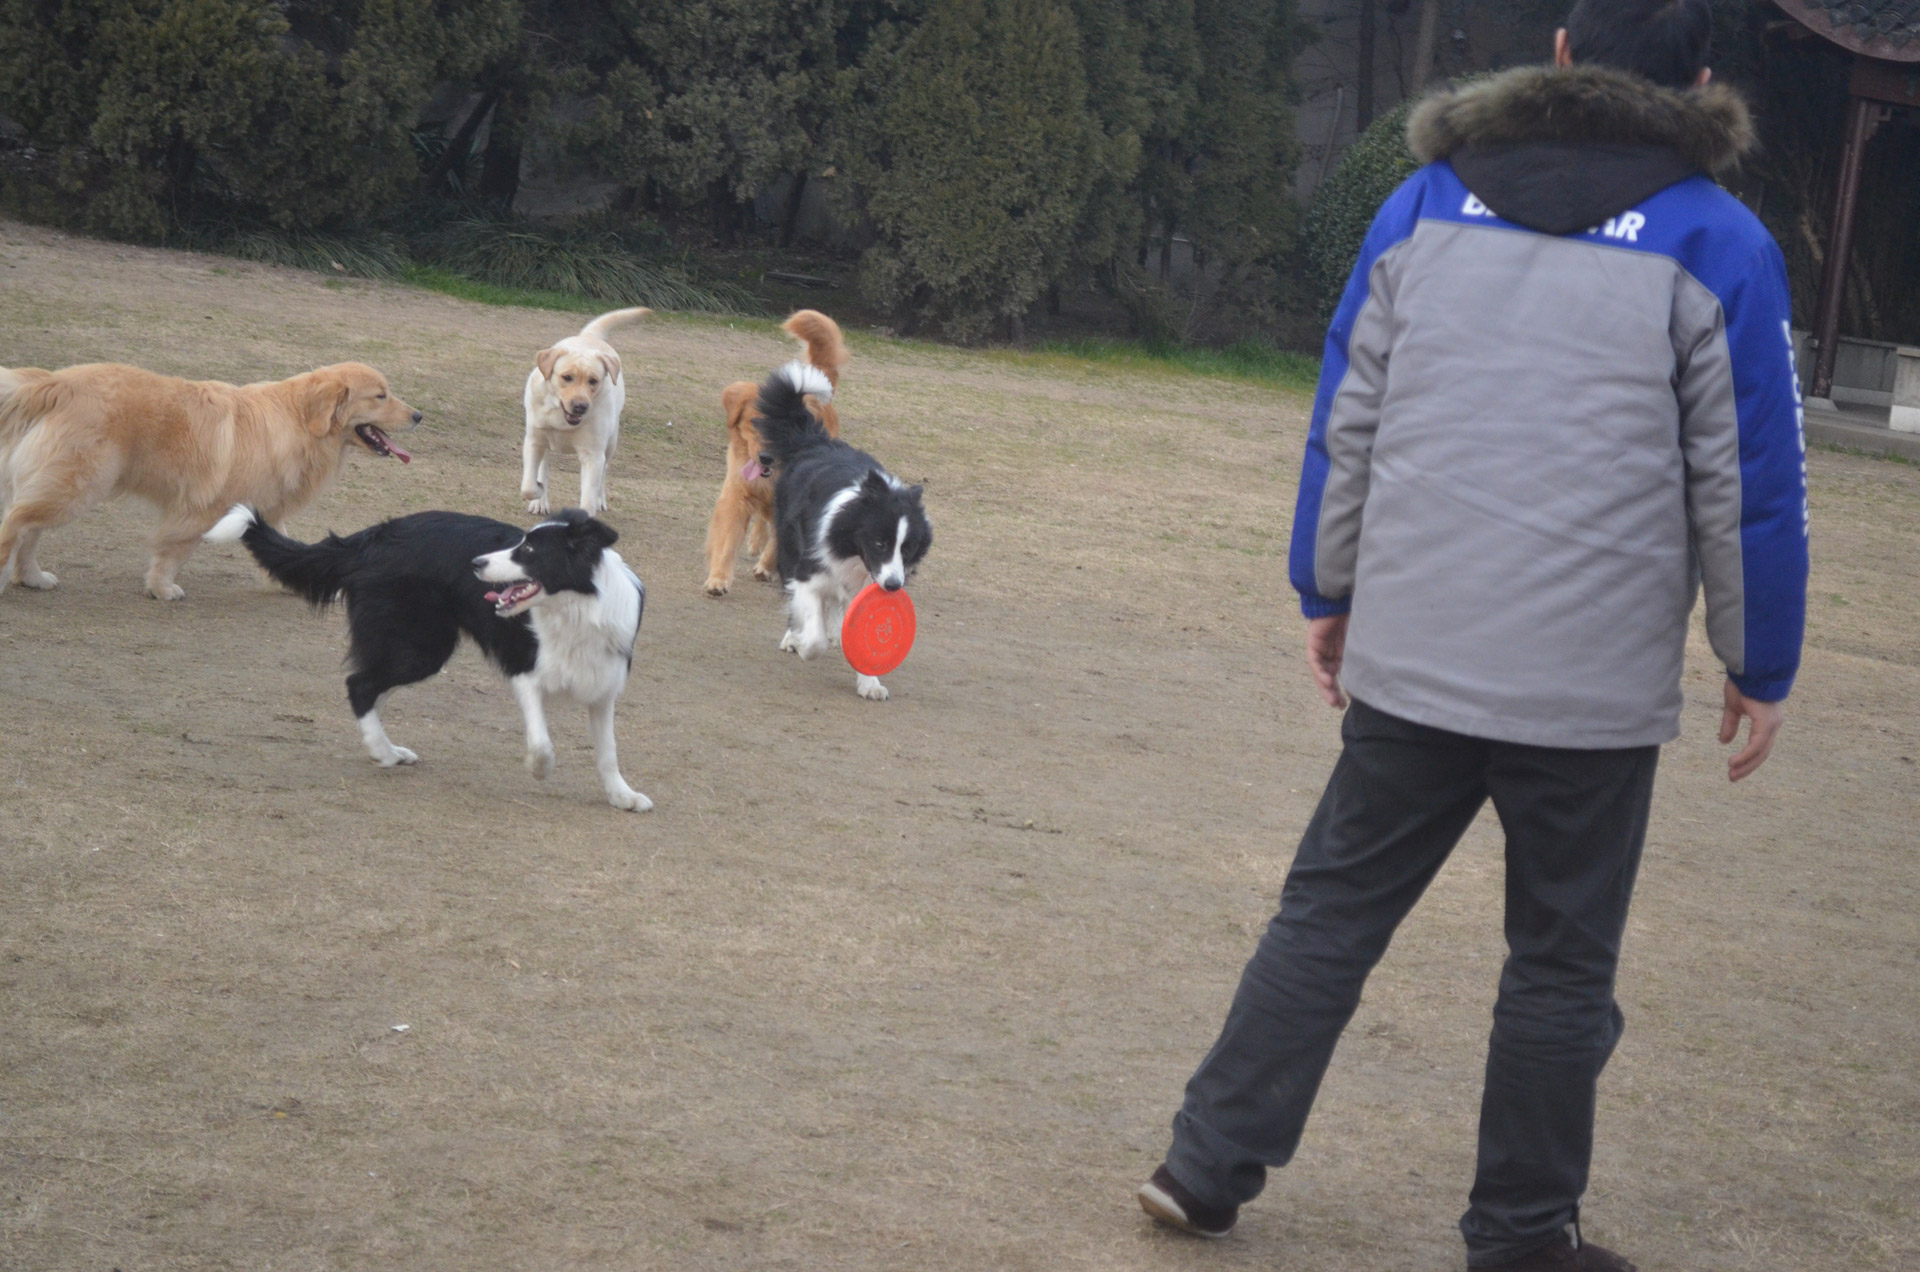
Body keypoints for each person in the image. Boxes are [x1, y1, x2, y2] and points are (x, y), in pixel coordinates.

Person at [1135, 0, 1809, 1266]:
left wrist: (1325, 591)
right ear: (1703, 83)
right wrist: (1757, 656)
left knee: (1326, 916)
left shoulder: (1425, 205)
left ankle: (1204, 1162)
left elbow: (1349, 413)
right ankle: (1519, 1232)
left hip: (1419, 651)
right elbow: (1754, 478)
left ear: (1557, 53)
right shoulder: (1721, 242)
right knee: (1559, 967)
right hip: (1591, 694)